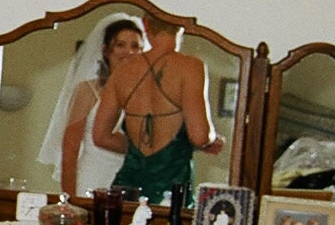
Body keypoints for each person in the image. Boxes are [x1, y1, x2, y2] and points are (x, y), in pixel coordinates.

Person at [92, 12, 223, 204]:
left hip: (127, 189)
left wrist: (137, 151)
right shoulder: (191, 67)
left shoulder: (123, 71)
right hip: (171, 191)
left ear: (145, 24)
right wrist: (212, 139)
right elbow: (200, 136)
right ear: (182, 25)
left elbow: (100, 136)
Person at [37, 13, 145, 197]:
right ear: (106, 50)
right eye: (120, 45)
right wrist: (71, 200)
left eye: (135, 46)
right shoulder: (87, 90)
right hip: (92, 181)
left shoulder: (147, 94)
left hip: (134, 185)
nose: (129, 52)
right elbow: (70, 150)